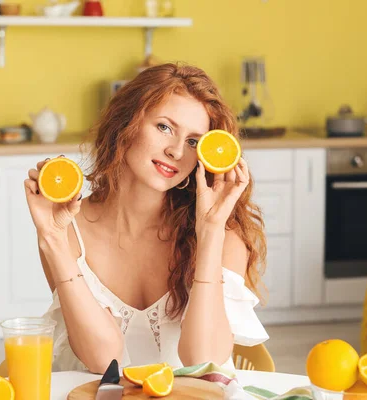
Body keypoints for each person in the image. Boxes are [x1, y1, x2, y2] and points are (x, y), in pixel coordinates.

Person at [23, 62, 269, 374]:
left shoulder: (225, 235)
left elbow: (204, 360)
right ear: (125, 125)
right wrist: (52, 240)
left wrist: (210, 233)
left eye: (194, 141)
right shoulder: (66, 227)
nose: (177, 151)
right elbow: (104, 361)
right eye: (164, 127)